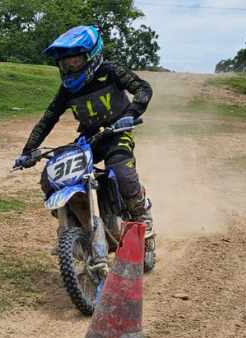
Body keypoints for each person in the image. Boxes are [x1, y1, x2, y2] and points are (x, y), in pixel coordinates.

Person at [13, 25, 155, 255]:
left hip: (118, 132)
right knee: (52, 177)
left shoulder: (112, 71)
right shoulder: (67, 90)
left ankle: (141, 213)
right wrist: (28, 150)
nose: (71, 66)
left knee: (122, 172)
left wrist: (130, 115)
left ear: (92, 55)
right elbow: (47, 119)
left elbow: (142, 88)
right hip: (90, 138)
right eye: (66, 63)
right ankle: (74, 228)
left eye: (76, 61)